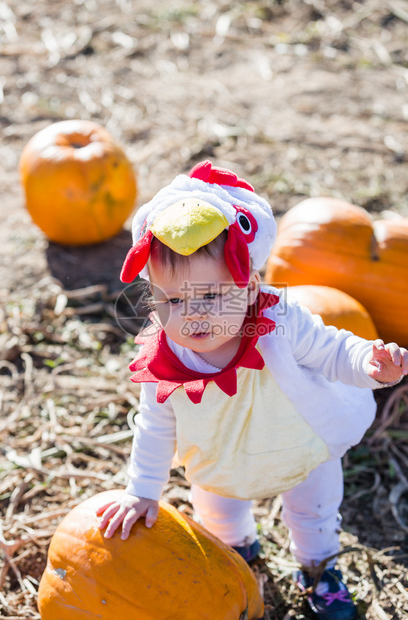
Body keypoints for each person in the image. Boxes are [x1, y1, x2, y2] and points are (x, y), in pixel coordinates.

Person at [96, 160, 407, 620]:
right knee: (219, 513)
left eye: (211, 296)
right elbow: (156, 426)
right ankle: (237, 551)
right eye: (174, 300)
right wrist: (143, 490)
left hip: (298, 441)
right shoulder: (165, 359)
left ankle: (319, 570)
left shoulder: (279, 320)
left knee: (315, 514)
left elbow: (332, 350)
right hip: (221, 455)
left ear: (251, 285)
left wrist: (369, 364)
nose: (194, 315)